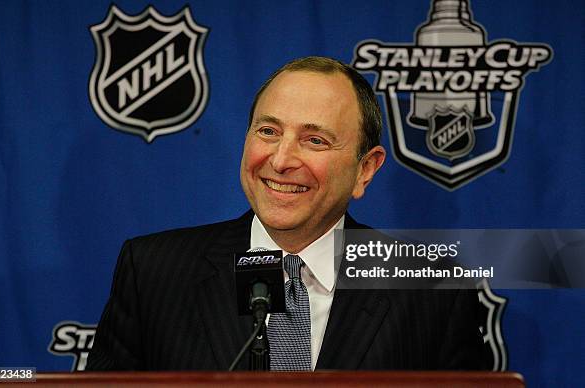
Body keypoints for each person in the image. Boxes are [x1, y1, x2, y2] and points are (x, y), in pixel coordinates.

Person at [86, 56, 490, 371]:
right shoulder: (155, 271)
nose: (280, 160)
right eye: (268, 132)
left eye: (314, 140)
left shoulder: (434, 290)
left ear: (364, 169)